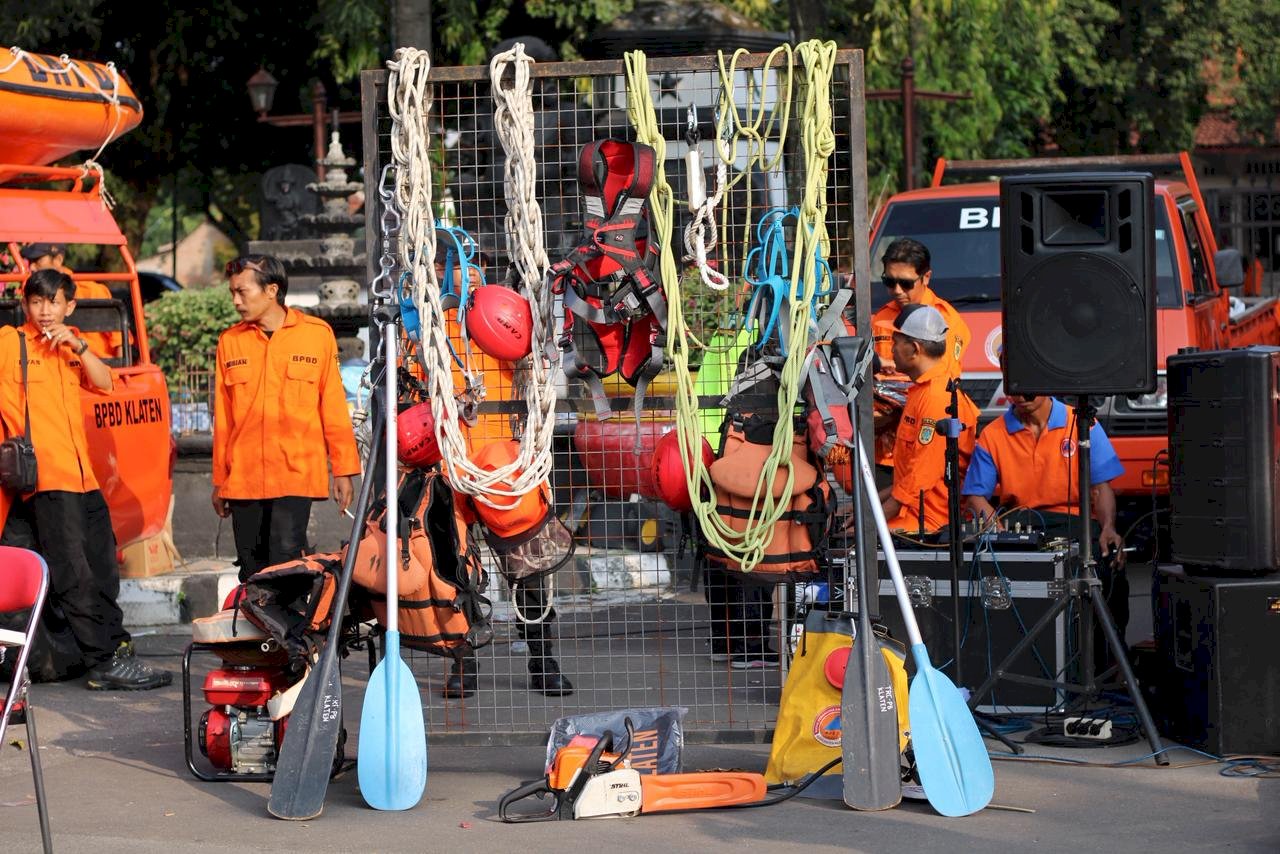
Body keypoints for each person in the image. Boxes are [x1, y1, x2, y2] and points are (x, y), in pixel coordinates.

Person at [0, 269, 170, 689]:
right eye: (36, 302)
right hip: (47, 477)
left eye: (53, 302)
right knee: (73, 572)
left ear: (68, 306)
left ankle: (116, 648)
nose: (44, 311)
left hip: (84, 477)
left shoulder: (71, 344)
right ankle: (103, 661)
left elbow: (105, 383)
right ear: (25, 305)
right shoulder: (9, 344)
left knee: (101, 566)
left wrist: (77, 344)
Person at [427, 244, 573, 699]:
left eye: (470, 266)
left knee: (530, 568)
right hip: (450, 471)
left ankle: (543, 661)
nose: (461, 275)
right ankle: (463, 663)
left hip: (506, 465)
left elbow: (539, 373)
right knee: (455, 571)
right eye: (446, 267)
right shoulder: (430, 331)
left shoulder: (507, 316)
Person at [211, 255, 360, 582]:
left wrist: (344, 470)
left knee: (285, 562)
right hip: (244, 479)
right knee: (251, 570)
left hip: (296, 473)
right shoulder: (230, 342)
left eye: (242, 291)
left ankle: (288, 632)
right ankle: (261, 631)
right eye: (232, 293)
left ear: (271, 290)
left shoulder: (316, 335)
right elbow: (223, 420)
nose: (236, 301)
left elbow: (332, 406)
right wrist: (220, 481)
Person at [960, 376, 1129, 637]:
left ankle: (1109, 661)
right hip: (1022, 525)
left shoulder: (1082, 423)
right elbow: (975, 496)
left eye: (1029, 389)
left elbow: (1100, 487)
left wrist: (1108, 527)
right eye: (1014, 387)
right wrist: (997, 528)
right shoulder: (993, 434)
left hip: (1075, 523)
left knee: (1110, 568)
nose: (1020, 396)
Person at [879, 304, 979, 534]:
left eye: (895, 342)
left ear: (914, 349)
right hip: (912, 513)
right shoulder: (923, 391)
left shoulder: (936, 397)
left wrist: (873, 525)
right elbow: (908, 478)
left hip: (928, 523)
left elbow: (923, 474)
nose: (891, 350)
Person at [871, 238, 970, 472]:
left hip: (925, 447)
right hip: (883, 454)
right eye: (889, 281)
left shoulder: (945, 320)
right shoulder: (881, 318)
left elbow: (941, 384)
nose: (896, 291)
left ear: (926, 277)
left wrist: (890, 403)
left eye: (905, 283)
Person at [20, 242, 122, 360]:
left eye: (37, 260)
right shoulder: (31, 294)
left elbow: (120, 343)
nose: (32, 267)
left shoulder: (94, 291)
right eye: (30, 261)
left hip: (96, 366)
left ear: (58, 260)